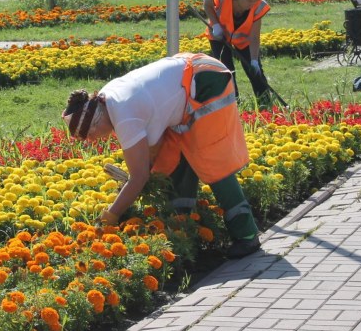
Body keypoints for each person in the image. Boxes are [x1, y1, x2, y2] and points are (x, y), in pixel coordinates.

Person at [62, 53, 262, 259]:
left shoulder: (123, 115)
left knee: (211, 160)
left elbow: (139, 176)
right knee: (172, 158)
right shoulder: (106, 99)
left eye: (90, 135)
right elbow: (152, 152)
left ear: (95, 121)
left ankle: (247, 235)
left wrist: (109, 218)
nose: (92, 141)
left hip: (206, 82)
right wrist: (134, 183)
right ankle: (184, 231)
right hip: (190, 80)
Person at [202, 0, 273, 104]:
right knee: (226, 70)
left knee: (255, 72)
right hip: (219, 36)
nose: (252, 3)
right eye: (248, 0)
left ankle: (265, 102)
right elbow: (207, 2)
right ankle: (232, 103)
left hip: (243, 40)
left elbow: (254, 36)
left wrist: (254, 60)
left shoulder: (258, 6)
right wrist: (216, 24)